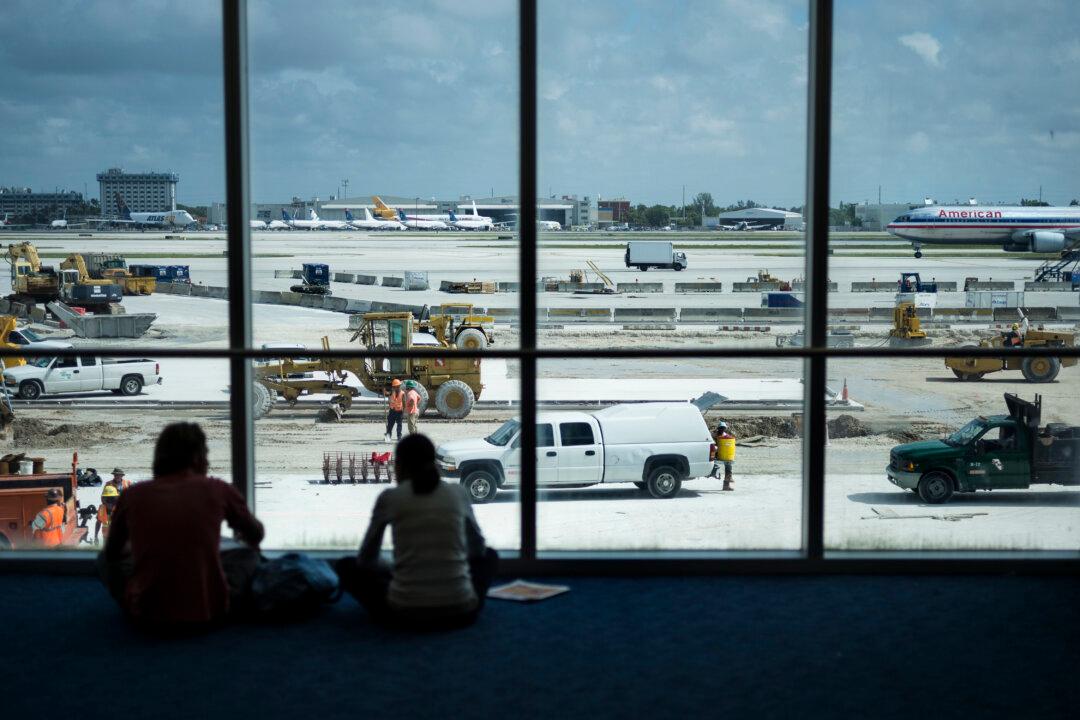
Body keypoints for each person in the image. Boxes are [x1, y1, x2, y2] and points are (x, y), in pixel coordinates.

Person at [98, 422, 264, 630]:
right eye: (205, 455)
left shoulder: (133, 494)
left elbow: (113, 552)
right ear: (197, 459)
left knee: (103, 560)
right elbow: (256, 534)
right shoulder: (218, 489)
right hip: (210, 611)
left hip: (146, 613)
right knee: (248, 556)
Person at [335, 434, 498, 630]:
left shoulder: (389, 498)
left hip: (404, 614)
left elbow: (366, 560)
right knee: (490, 555)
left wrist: (393, 567)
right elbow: (478, 550)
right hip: (462, 611)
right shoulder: (457, 493)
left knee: (346, 566)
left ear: (400, 466)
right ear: (434, 462)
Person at [711, 421, 736, 491]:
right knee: (727, 465)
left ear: (725, 429)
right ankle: (727, 480)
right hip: (715, 454)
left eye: (723, 428)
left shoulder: (725, 436)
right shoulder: (714, 435)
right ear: (718, 428)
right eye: (721, 428)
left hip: (723, 454)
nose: (722, 429)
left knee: (728, 464)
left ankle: (726, 484)